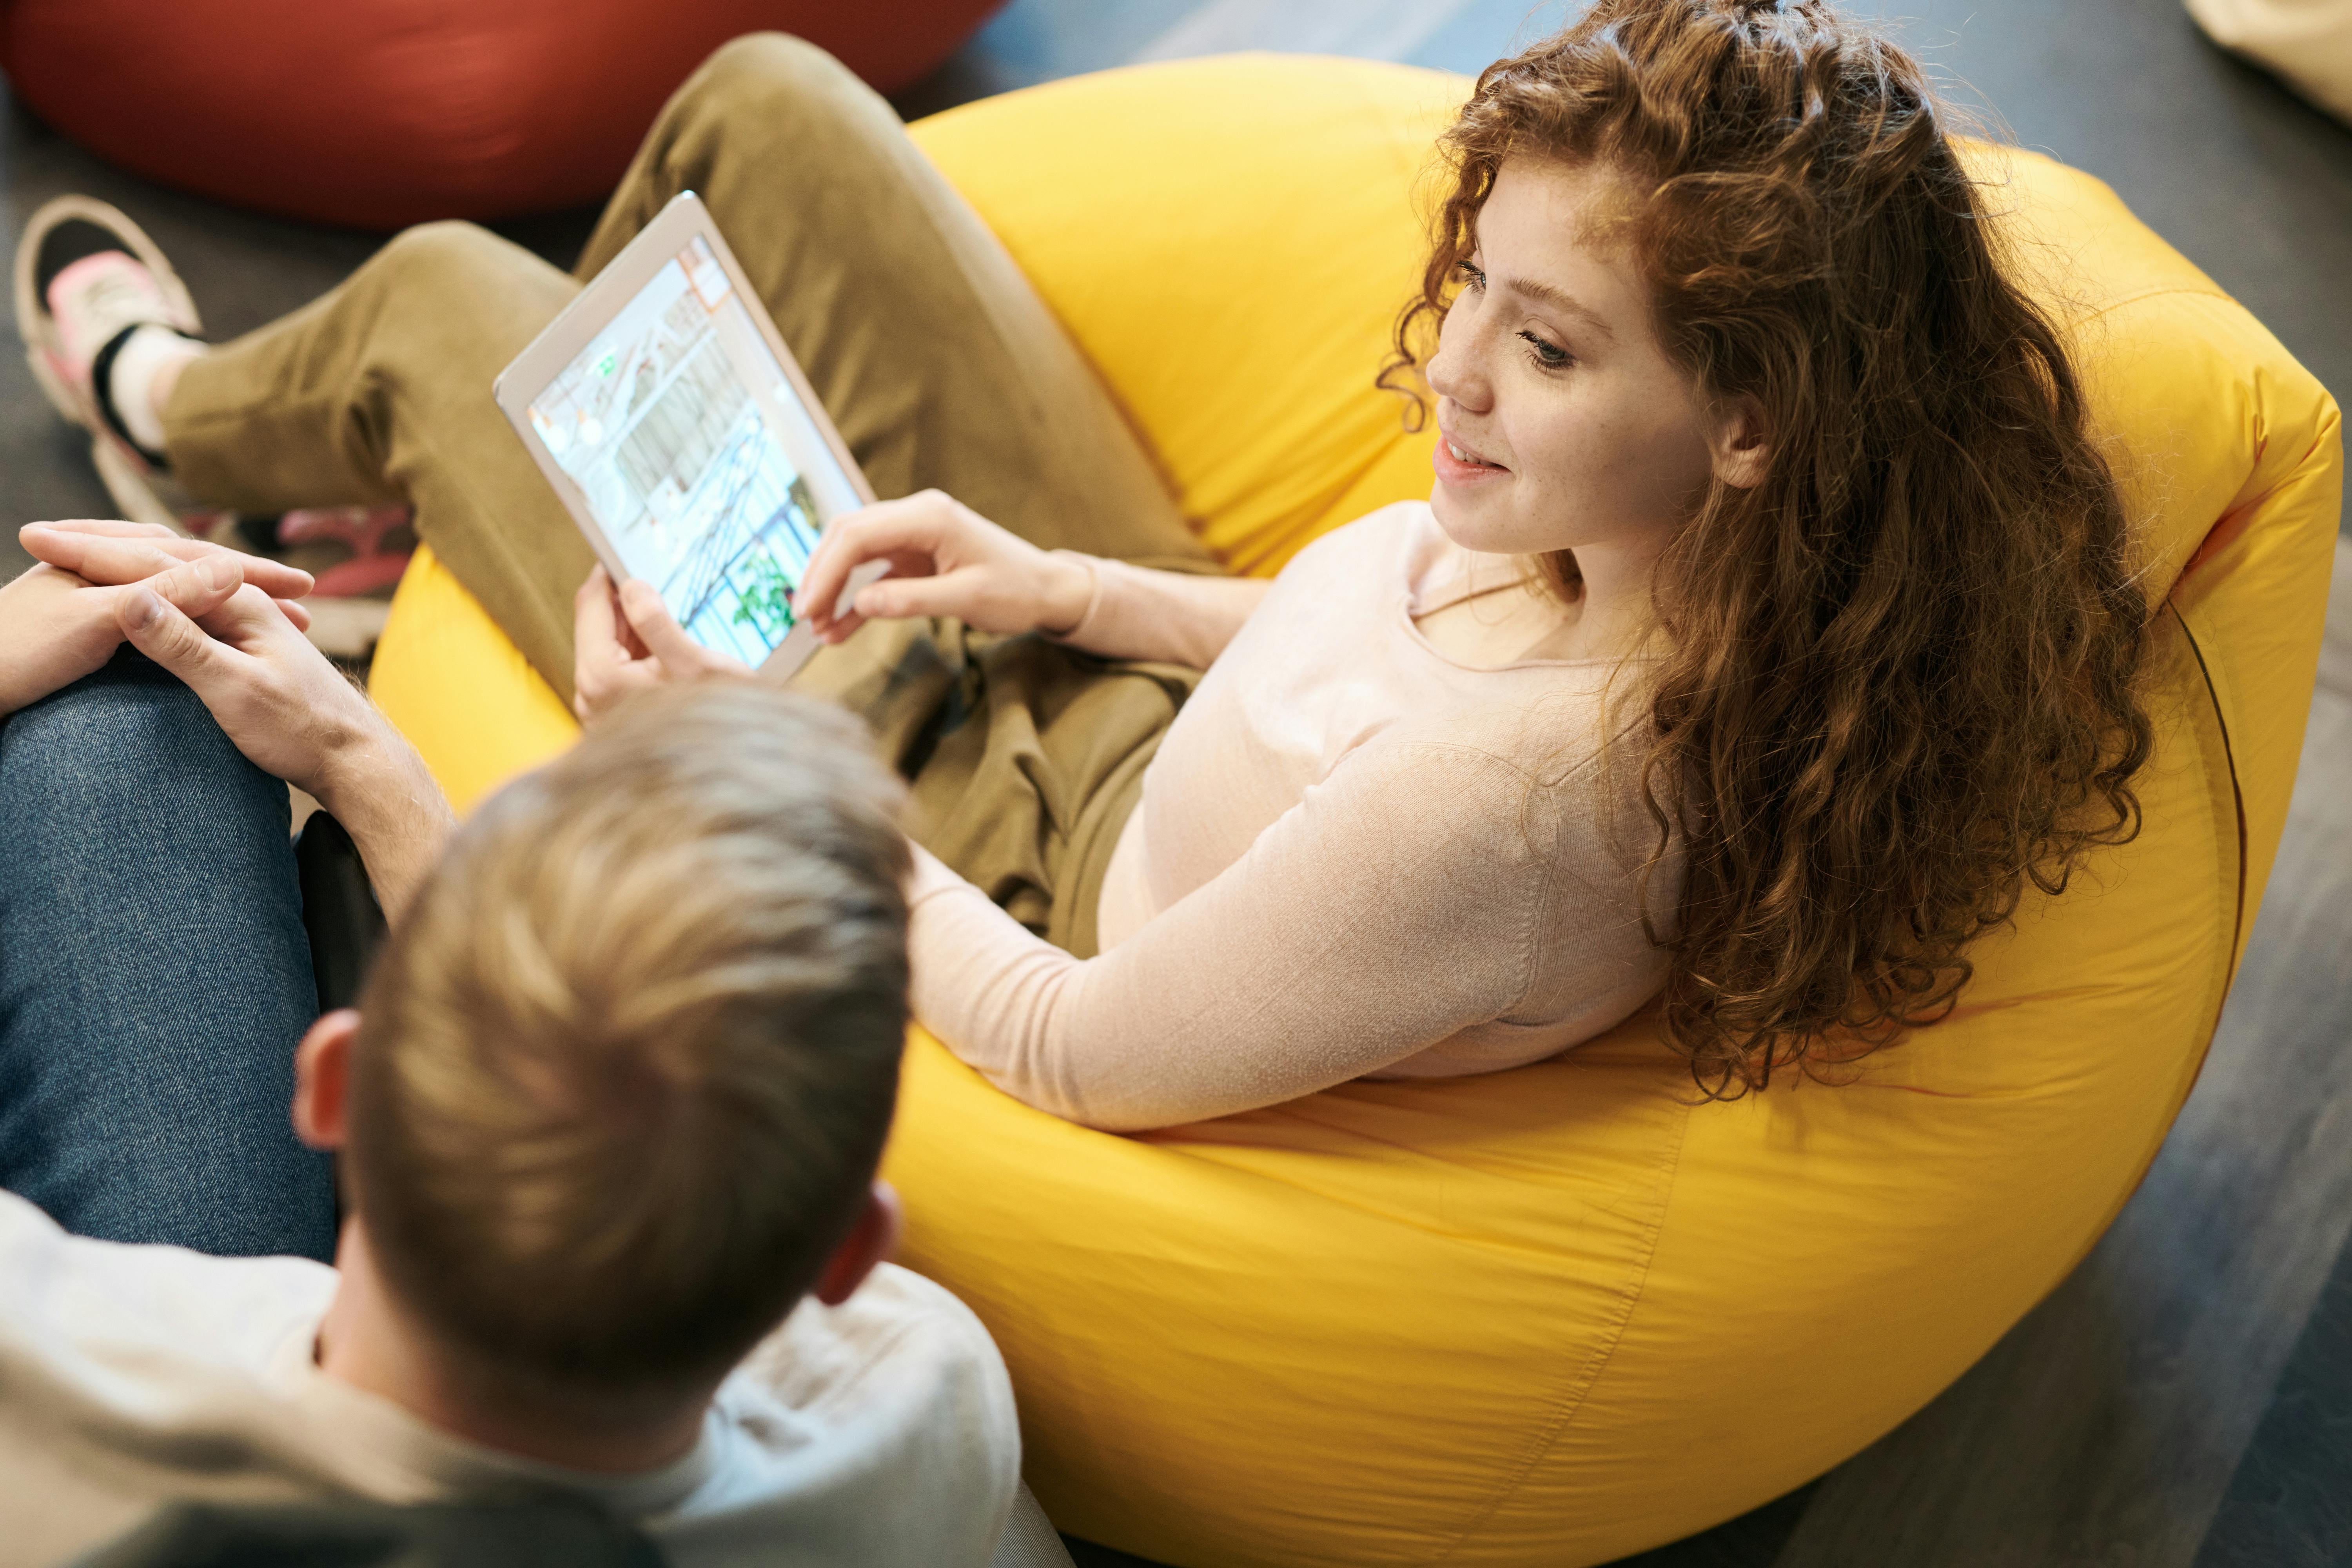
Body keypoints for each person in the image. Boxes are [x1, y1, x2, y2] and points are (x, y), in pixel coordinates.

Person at [22, 0, 2152, 1133]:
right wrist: (1064, 586)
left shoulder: (1517, 814)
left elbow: (1071, 1047)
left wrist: (760, 768)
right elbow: (1361, 654)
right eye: (1479, 287)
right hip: (1134, 703)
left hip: (1016, 874)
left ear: (1761, 416)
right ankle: (444, 507)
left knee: (427, 307)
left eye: (1554, 343)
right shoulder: (1664, 561)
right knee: (761, 102)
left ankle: (174, 404)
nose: (1457, 375)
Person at [0, 524, 1063, 1567]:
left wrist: (366, 754)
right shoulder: (928, 1409)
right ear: (846, 1254)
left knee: (114, 721)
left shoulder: (44, 1365)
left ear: (341, 1082)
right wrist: (357, 760)